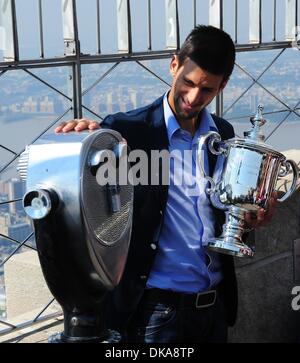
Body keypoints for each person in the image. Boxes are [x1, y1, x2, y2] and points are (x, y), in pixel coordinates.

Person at [55, 25, 276, 343]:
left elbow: (224, 215)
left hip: (214, 309)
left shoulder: (224, 135)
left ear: (223, 85)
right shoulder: (129, 131)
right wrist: (85, 136)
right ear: (174, 65)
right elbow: (86, 192)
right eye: (188, 82)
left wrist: (252, 219)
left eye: (207, 90)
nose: (193, 97)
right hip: (156, 314)